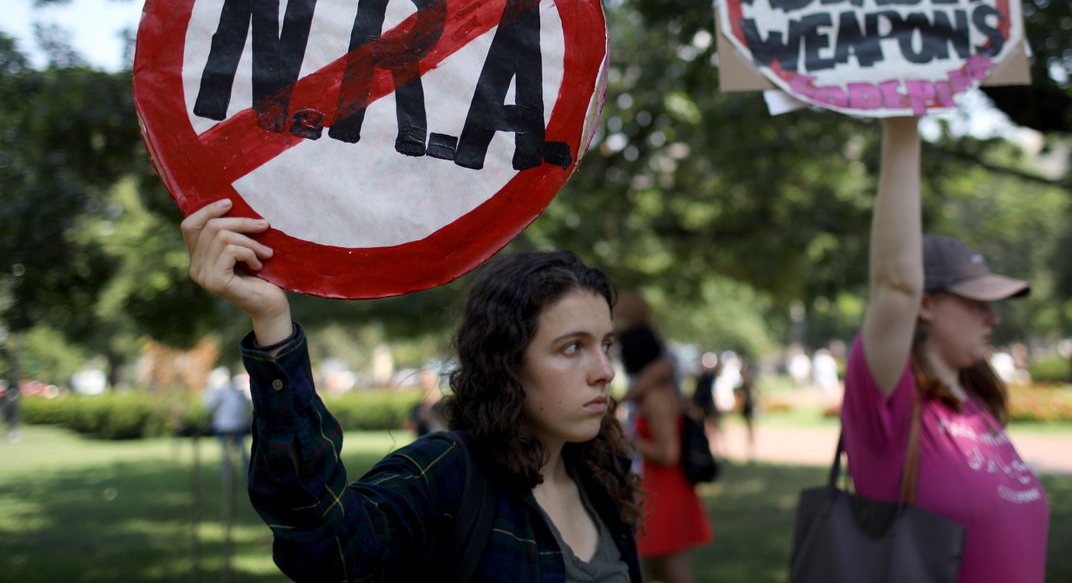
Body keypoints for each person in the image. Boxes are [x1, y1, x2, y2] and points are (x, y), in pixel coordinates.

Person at [182, 198, 642, 582]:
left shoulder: (602, 473)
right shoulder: (452, 473)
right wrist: (272, 325)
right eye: (571, 348)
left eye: (605, 345)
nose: (603, 370)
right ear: (508, 362)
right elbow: (327, 545)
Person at [840, 117, 1049, 583]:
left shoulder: (973, 402)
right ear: (927, 305)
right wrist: (903, 123)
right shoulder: (889, 405)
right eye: (977, 304)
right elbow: (895, 285)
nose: (993, 319)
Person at [617, 318, 712, 583]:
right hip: (660, 489)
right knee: (655, 569)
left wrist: (629, 438)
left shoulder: (656, 397)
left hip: (665, 492)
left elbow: (669, 453)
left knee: (671, 570)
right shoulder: (656, 388)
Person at [203, 366, 253, 480]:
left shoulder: (235, 391)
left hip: (237, 427)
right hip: (223, 428)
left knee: (242, 454)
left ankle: (247, 475)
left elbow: (244, 407)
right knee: (226, 454)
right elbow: (210, 407)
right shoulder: (216, 392)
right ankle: (227, 476)